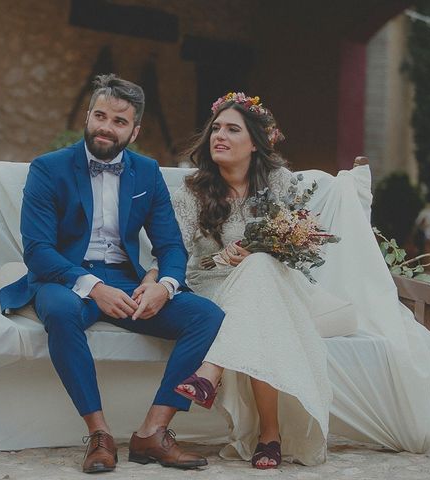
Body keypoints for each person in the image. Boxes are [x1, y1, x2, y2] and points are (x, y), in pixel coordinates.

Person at [0, 74, 224, 474]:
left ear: (134, 130)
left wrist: (165, 287)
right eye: (99, 115)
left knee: (207, 316)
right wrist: (93, 287)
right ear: (88, 116)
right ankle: (99, 434)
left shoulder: (147, 172)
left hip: (127, 280)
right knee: (63, 312)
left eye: (119, 121)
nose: (106, 126)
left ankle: (153, 431)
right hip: (64, 278)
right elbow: (37, 250)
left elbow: (171, 246)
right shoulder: (48, 168)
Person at [170, 93, 332, 468]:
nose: (219, 136)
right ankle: (269, 435)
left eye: (231, 129)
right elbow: (175, 252)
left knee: (260, 268)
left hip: (273, 283)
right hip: (214, 283)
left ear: (257, 143)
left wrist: (265, 251)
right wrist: (222, 257)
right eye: (215, 129)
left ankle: (210, 371)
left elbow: (303, 244)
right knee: (260, 312)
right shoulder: (192, 191)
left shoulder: (279, 183)